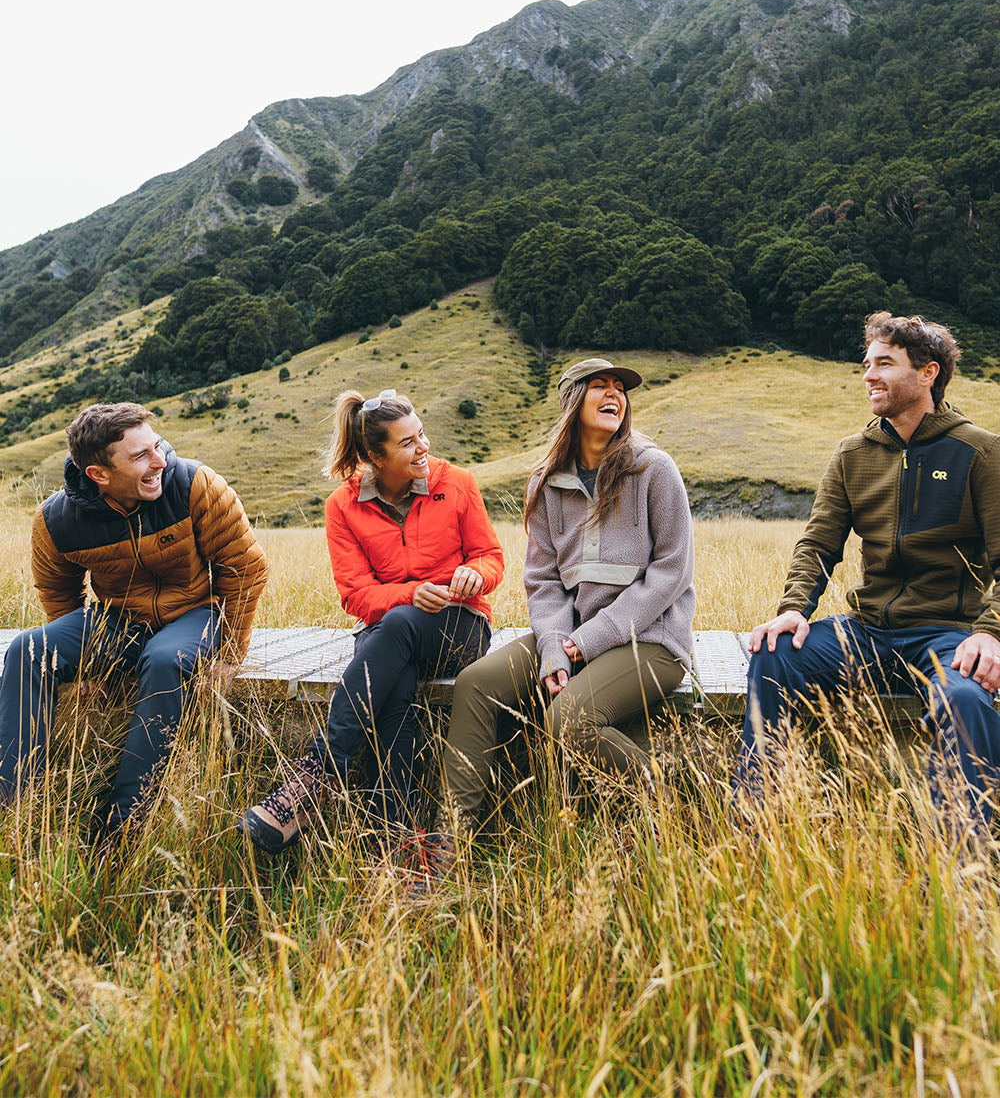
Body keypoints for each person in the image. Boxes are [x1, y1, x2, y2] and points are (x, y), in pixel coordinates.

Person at [733, 312, 1000, 835]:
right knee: (774, 655)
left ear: (928, 373)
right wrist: (793, 609)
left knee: (967, 699)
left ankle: (961, 858)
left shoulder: (981, 452)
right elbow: (818, 543)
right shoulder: (852, 453)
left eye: (885, 364)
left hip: (948, 635)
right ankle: (759, 821)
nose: (869, 376)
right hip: (867, 631)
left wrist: (990, 635)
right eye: (866, 364)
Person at [427, 358, 695, 870]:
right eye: (600, 386)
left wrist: (585, 643)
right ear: (573, 401)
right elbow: (543, 580)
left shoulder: (653, 469)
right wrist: (554, 645)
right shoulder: (546, 483)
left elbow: (672, 571)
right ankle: (453, 845)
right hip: (570, 635)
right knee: (475, 684)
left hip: (651, 640)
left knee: (567, 720)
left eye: (620, 388)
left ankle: (672, 807)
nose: (615, 393)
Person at [241, 388, 504, 855]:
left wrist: (474, 573)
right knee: (394, 684)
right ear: (374, 457)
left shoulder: (457, 482)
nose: (423, 447)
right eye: (407, 443)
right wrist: (408, 594)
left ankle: (317, 774)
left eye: (421, 435)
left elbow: (491, 558)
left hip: (459, 627)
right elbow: (355, 594)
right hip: (389, 635)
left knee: (397, 629)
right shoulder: (342, 506)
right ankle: (398, 840)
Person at [0, 401, 268, 849]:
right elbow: (59, 590)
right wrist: (83, 666)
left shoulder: (193, 484)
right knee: (26, 651)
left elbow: (245, 567)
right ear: (99, 474)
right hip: (116, 622)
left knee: (164, 660)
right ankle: (13, 804)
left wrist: (229, 654)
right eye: (141, 455)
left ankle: (123, 828)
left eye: (157, 445)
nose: (160, 460)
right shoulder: (57, 520)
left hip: (195, 614)